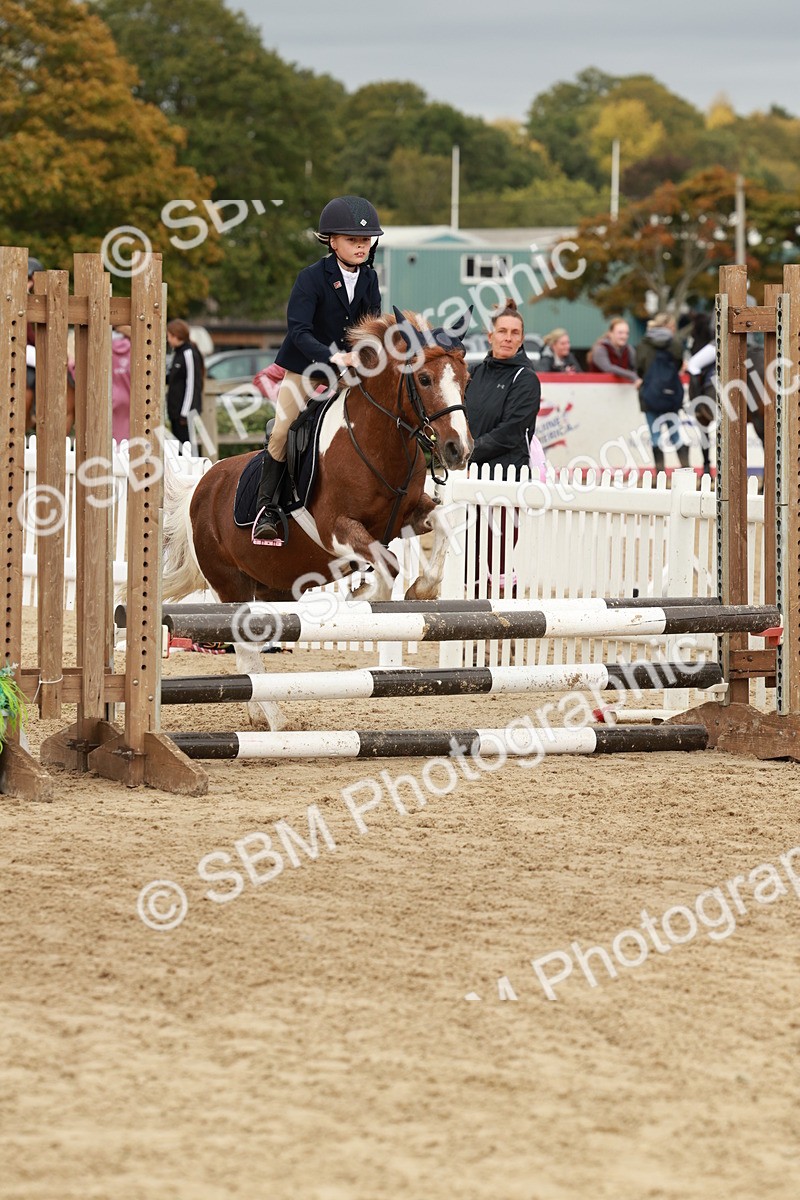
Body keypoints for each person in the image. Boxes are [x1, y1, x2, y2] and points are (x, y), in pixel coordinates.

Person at [253, 194, 383, 543]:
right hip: (307, 366)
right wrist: (333, 357)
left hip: (348, 369)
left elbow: (370, 326)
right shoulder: (311, 278)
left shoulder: (369, 280)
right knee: (282, 431)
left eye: (366, 240)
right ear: (332, 241)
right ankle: (267, 509)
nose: (361, 246)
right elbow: (298, 331)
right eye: (353, 240)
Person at [465, 299, 541, 475]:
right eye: (502, 331)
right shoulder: (473, 373)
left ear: (521, 340)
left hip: (507, 480)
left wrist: (467, 453)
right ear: (490, 337)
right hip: (469, 475)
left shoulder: (525, 378)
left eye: (515, 333)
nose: (508, 338)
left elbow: (510, 433)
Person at [637, 312, 689, 471]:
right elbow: (680, 364)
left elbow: (639, 368)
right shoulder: (675, 344)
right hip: (671, 396)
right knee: (675, 435)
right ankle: (687, 471)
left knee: (655, 436)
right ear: (668, 326)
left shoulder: (643, 344)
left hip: (650, 396)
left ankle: (660, 475)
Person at [166, 319, 204, 443]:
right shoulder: (176, 353)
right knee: (178, 446)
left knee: (186, 446)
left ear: (176, 335)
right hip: (175, 411)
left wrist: (185, 413)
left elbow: (192, 384)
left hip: (184, 412)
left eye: (169, 336)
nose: (168, 339)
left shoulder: (188, 353)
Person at [588, 318, 639, 384]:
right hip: (597, 388)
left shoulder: (629, 349)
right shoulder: (600, 349)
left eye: (627, 333)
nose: (624, 336)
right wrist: (632, 375)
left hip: (620, 391)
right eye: (620, 333)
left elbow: (637, 367)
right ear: (610, 333)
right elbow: (608, 368)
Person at [111, 325, 132, 444]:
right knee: (126, 429)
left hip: (113, 395)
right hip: (128, 394)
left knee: (113, 430)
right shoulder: (132, 349)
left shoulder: (108, 349)